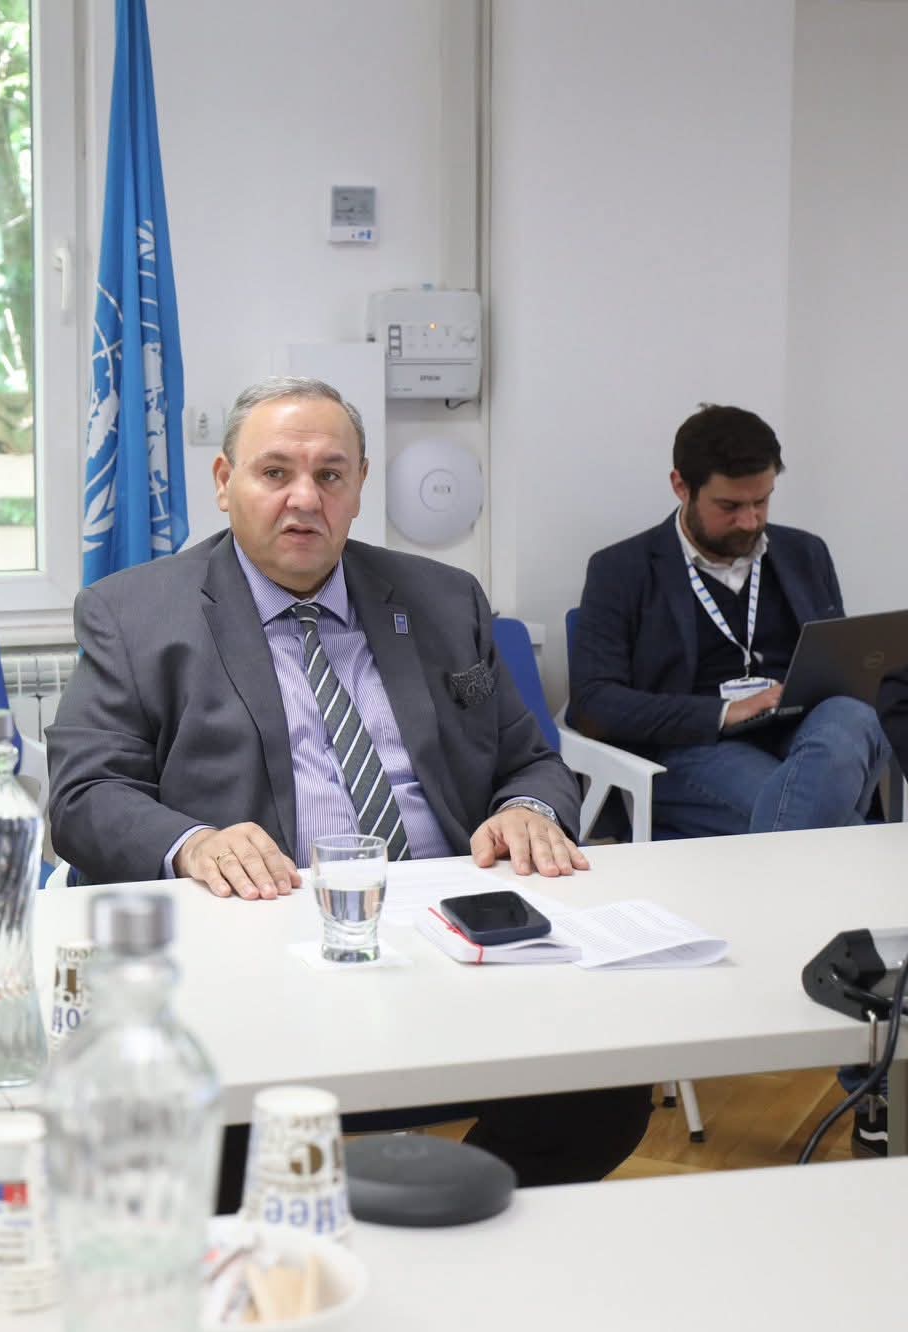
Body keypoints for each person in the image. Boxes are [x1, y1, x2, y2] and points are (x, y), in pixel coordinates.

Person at [47, 376, 648, 1192]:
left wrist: (529, 809)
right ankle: (299, 1233)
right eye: (275, 472)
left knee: (602, 1090)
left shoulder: (444, 599)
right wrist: (194, 844)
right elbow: (85, 795)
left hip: (448, 930)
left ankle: (437, 1211)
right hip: (260, 946)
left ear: (360, 487)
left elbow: (530, 758)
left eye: (330, 475)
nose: (305, 498)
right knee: (210, 1141)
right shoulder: (135, 614)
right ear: (224, 481)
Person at [567, 404, 888, 839]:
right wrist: (723, 713)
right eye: (730, 506)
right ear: (681, 486)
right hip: (695, 746)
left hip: (801, 731)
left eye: (762, 501)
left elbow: (838, 667)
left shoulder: (805, 553)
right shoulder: (621, 569)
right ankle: (857, 848)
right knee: (801, 807)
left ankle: (817, 858)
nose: (750, 521)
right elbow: (594, 702)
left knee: (854, 717)